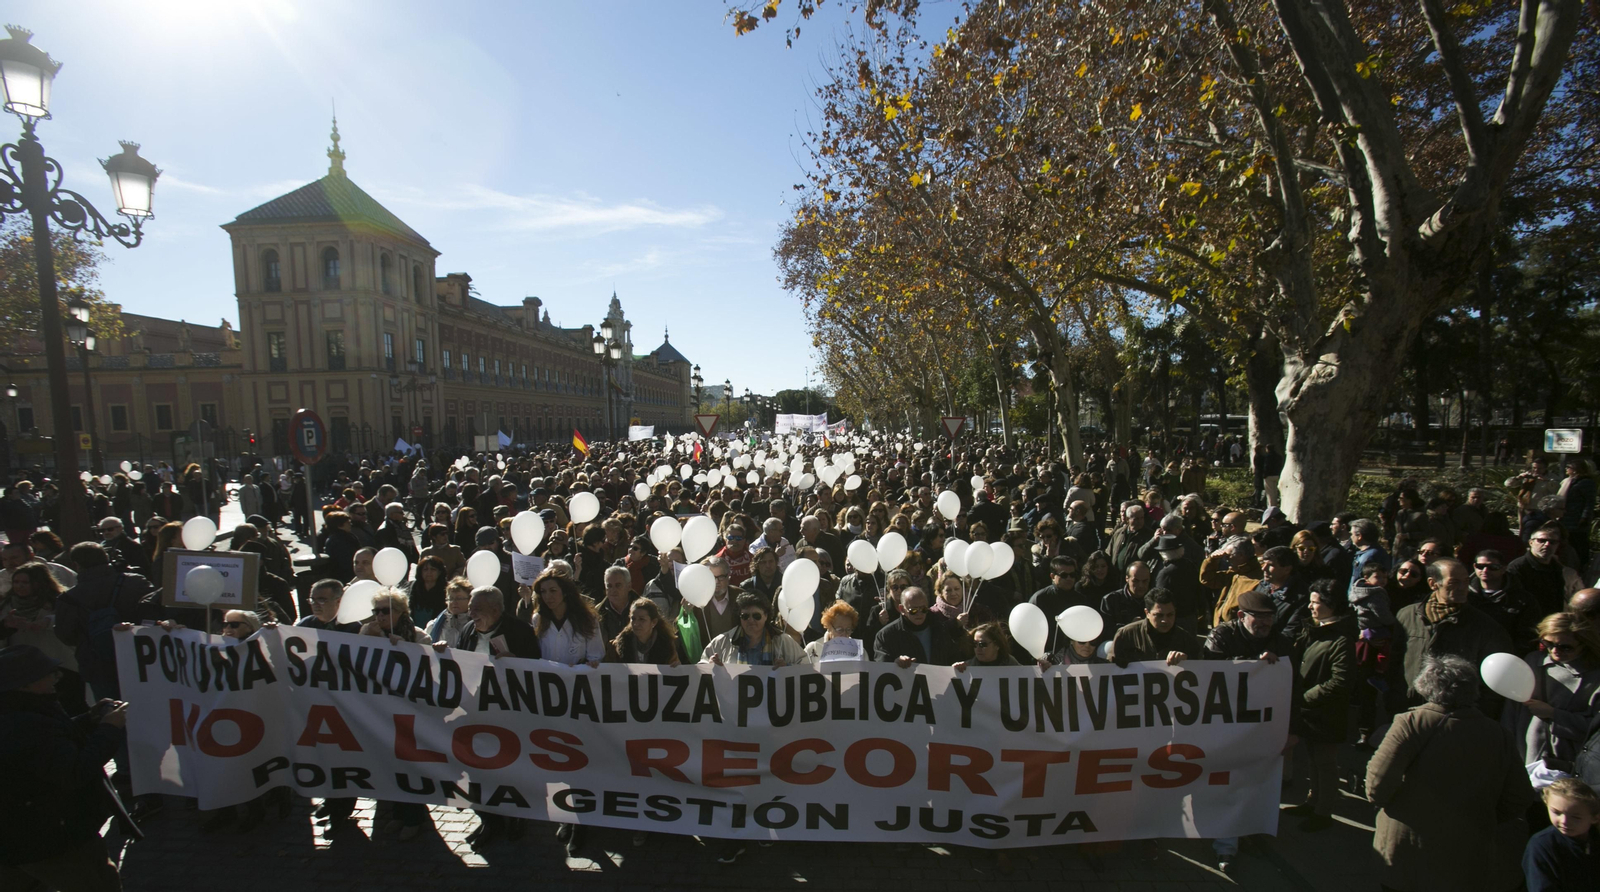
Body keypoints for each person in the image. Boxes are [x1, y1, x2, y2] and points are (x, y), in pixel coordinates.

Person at [1367, 654, 1536, 892]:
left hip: (1409, 848)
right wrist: (1482, 819)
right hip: (1467, 855)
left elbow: (1378, 782)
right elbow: (1519, 796)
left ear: (1425, 686)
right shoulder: (1498, 734)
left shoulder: (1410, 722)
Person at [0, 644, 128, 892]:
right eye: (48, 673)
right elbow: (76, 770)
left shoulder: (19, 709)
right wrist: (109, 730)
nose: (56, 678)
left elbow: (52, 744)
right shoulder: (24, 724)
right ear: (24, 684)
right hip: (52, 837)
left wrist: (88, 720)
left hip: (22, 836)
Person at [1393, 558, 1513, 710]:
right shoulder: (1407, 615)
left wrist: (1479, 709)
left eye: (1465, 581)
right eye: (1454, 583)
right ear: (1433, 584)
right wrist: (1394, 695)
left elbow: (1497, 675)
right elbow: (1394, 660)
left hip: (1456, 711)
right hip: (1408, 705)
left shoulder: (1483, 625)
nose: (1463, 588)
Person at [1286, 581, 1356, 831]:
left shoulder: (1341, 640)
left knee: (1325, 764)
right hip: (1312, 711)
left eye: (1316, 602)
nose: (1310, 606)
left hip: (1326, 713)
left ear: (1331, 605)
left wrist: (1305, 697)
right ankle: (1312, 800)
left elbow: (1339, 681)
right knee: (1314, 761)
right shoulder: (1316, 630)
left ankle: (1324, 811)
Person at [53, 542, 156, 702]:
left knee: (111, 711)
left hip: (97, 663)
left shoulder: (68, 599)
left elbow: (65, 635)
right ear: (106, 558)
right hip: (141, 657)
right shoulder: (136, 582)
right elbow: (155, 613)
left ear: (76, 565)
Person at [1504, 613, 1600, 783]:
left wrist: (1554, 714)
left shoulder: (1594, 676)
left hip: (1569, 764)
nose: (1555, 651)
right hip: (1525, 753)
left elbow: (1594, 730)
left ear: (1583, 644)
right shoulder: (1533, 662)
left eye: (1565, 647)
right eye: (1548, 644)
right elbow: (1512, 712)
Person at [1, 561, 87, 715]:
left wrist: (48, 622)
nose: (19, 586)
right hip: (24, 672)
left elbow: (76, 624)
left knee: (70, 709)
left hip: (61, 666)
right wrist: (6, 626)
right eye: (16, 582)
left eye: (25, 582)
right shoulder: (6, 605)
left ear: (38, 583)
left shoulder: (60, 602)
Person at [1522, 778, 1600, 891]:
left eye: (1576, 817)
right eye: (1557, 813)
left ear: (1595, 818)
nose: (1564, 821)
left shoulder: (1595, 838)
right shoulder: (1542, 845)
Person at [701, 592, 806, 668]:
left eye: (756, 616)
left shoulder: (782, 640)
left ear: (766, 616)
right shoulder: (723, 641)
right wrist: (710, 666)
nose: (750, 620)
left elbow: (806, 666)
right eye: (745, 616)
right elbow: (699, 668)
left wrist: (788, 667)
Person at [872, 585, 966, 667]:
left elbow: (952, 657)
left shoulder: (940, 629)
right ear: (902, 609)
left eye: (924, 609)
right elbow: (882, 667)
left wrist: (956, 666)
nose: (919, 613)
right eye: (913, 610)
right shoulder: (886, 635)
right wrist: (895, 663)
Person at [1107, 588, 1199, 667]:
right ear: (1147, 613)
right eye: (1159, 615)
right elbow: (1109, 668)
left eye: (1170, 615)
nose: (1165, 620)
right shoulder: (1126, 634)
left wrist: (1187, 662)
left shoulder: (1185, 639)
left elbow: (1200, 672)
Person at [605, 596, 682, 666]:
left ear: (653, 622)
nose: (636, 624)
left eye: (642, 619)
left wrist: (676, 668)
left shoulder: (666, 646)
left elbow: (675, 673)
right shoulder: (617, 646)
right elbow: (606, 669)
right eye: (633, 619)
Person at [359, 590, 431, 645]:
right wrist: (368, 637)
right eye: (377, 611)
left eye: (385, 610)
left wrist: (403, 646)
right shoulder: (367, 630)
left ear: (399, 611)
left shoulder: (420, 637)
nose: (380, 614)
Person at [1099, 561, 1151, 632]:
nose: (1140, 585)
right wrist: (1129, 626)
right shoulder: (1111, 600)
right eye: (1135, 581)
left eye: (1145, 581)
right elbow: (1106, 630)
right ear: (1127, 578)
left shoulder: (1154, 600)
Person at [426, 577, 477, 644]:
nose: (454, 602)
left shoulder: (477, 626)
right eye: (451, 598)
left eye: (459, 598)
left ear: (470, 600)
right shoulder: (433, 625)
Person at [952, 621, 1019, 672]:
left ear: (997, 645)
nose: (977, 649)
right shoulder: (967, 667)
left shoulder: (1011, 664)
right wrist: (953, 671)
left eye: (982, 644)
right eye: (975, 644)